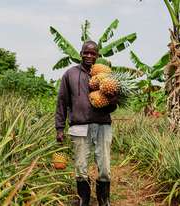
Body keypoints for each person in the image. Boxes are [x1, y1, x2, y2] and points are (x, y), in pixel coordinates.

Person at [55, 40, 117, 206]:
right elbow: (62, 101)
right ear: (81, 53)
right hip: (79, 126)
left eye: (93, 53)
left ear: (98, 55)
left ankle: (104, 199)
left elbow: (113, 107)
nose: (89, 56)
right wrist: (59, 128)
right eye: (86, 52)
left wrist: (113, 98)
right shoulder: (70, 74)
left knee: (104, 166)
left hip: (103, 125)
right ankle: (84, 199)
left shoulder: (105, 76)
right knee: (80, 166)